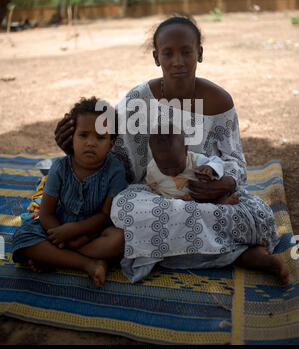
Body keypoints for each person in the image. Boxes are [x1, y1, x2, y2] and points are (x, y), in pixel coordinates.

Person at [55, 15, 289, 286]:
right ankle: (240, 254)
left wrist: (224, 183)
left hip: (210, 199)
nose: (177, 61)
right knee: (127, 208)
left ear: (199, 54)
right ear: (156, 58)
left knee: (257, 214)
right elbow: (110, 146)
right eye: (168, 53)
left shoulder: (219, 101)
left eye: (186, 51)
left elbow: (234, 159)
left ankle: (169, 250)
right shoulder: (139, 99)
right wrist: (72, 145)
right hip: (154, 195)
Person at [12, 97, 127, 288]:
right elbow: (46, 213)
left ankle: (54, 258)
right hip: (56, 226)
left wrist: (74, 232)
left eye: (100, 137)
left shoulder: (115, 170)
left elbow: (106, 216)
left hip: (94, 231)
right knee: (23, 238)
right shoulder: (60, 167)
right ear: (71, 137)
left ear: (111, 143)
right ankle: (89, 263)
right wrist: (60, 236)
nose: (91, 143)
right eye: (83, 135)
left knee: (119, 240)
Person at [147, 127, 240, 204]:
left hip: (202, 195)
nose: (172, 172)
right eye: (165, 168)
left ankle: (223, 201)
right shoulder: (152, 168)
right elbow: (151, 181)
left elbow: (216, 161)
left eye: (177, 166)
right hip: (173, 200)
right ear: (155, 159)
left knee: (217, 192)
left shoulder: (194, 159)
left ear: (185, 150)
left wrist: (210, 168)